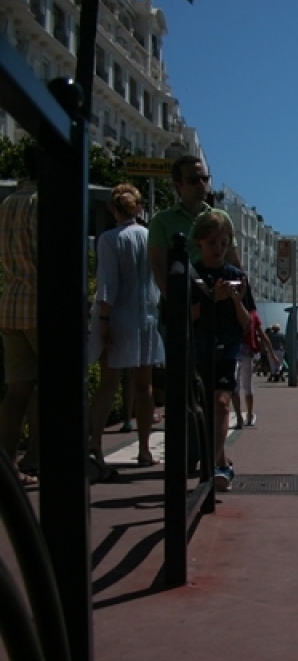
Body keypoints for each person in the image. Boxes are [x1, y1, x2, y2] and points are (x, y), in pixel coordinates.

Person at [88, 183, 164, 472]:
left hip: (118, 316)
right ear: (138, 208)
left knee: (109, 383)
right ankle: (144, 449)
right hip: (146, 317)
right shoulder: (149, 236)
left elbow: (108, 284)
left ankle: (96, 442)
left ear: (113, 209)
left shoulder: (109, 239)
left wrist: (103, 322)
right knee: (143, 384)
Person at [190, 209, 255, 491]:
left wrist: (236, 300)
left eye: (223, 243)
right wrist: (211, 299)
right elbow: (187, 316)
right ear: (200, 243)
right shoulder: (191, 273)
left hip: (228, 347)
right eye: (212, 242)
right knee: (203, 407)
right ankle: (222, 463)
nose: (218, 249)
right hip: (200, 348)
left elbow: (245, 324)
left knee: (221, 403)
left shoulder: (237, 276)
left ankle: (213, 465)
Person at [0, 140, 40, 486]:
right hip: (43, 305)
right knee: (54, 386)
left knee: (16, 391)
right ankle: (39, 458)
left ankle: (8, 463)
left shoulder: (8, 203)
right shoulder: (45, 203)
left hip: (12, 304)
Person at [148, 154, 240, 296]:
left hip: (219, 303)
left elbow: (233, 262)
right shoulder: (162, 221)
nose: (201, 185)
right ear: (178, 185)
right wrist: (176, 305)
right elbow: (159, 267)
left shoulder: (221, 218)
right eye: (193, 180)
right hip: (182, 302)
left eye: (205, 179)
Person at [232, 308, 272, 428]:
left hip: (233, 350)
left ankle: (239, 417)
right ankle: (249, 415)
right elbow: (262, 334)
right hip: (247, 352)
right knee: (247, 385)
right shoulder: (253, 315)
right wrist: (271, 352)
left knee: (235, 386)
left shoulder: (232, 310)